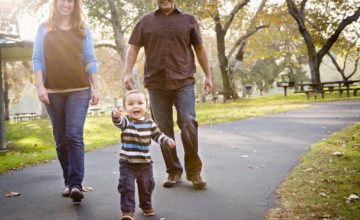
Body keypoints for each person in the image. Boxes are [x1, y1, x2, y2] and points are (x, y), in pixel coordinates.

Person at [124, 0, 212, 189]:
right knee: (163, 128)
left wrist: (208, 75)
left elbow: (199, 48)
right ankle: (173, 171)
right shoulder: (145, 22)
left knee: (188, 122)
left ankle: (194, 171)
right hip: (156, 83)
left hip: (184, 81)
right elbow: (133, 48)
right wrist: (127, 72)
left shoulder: (188, 20)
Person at [32, 0, 99, 202]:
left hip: (79, 89)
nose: (66, 4)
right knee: (61, 139)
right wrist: (40, 86)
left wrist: (96, 87)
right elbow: (37, 58)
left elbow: (90, 59)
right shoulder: (44, 28)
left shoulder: (82, 29)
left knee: (74, 134)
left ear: (75, 4)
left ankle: (76, 184)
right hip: (52, 91)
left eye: (71, 0)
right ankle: (68, 182)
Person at [112, 90, 176, 220]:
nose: (136, 106)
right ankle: (128, 211)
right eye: (131, 104)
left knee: (147, 186)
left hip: (145, 164)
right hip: (127, 163)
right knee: (126, 187)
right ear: (125, 108)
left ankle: (146, 205)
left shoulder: (149, 123)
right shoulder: (126, 121)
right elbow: (118, 121)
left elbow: (157, 135)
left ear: (146, 106)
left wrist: (167, 140)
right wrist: (115, 115)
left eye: (140, 103)